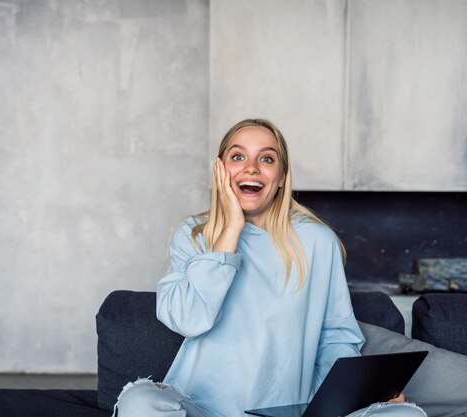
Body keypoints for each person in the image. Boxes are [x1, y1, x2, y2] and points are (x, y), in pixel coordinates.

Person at [112, 119, 426, 417]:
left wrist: (349, 398)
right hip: (199, 408)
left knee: (402, 414)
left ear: (281, 177)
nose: (251, 167)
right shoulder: (193, 234)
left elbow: (335, 337)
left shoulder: (317, 241)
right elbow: (187, 320)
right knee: (140, 401)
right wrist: (231, 230)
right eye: (238, 157)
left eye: (266, 159)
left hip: (284, 411)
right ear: (220, 169)